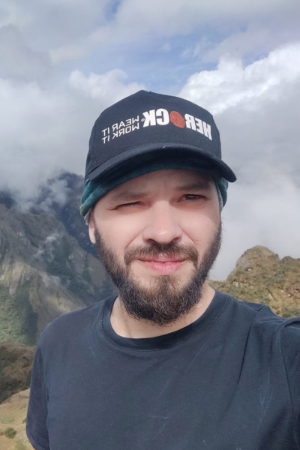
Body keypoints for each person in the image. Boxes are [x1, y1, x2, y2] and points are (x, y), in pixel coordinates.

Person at [26, 91, 300, 450]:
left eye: (191, 198)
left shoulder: (283, 359)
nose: (164, 231)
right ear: (91, 224)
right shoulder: (57, 345)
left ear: (219, 212)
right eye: (129, 202)